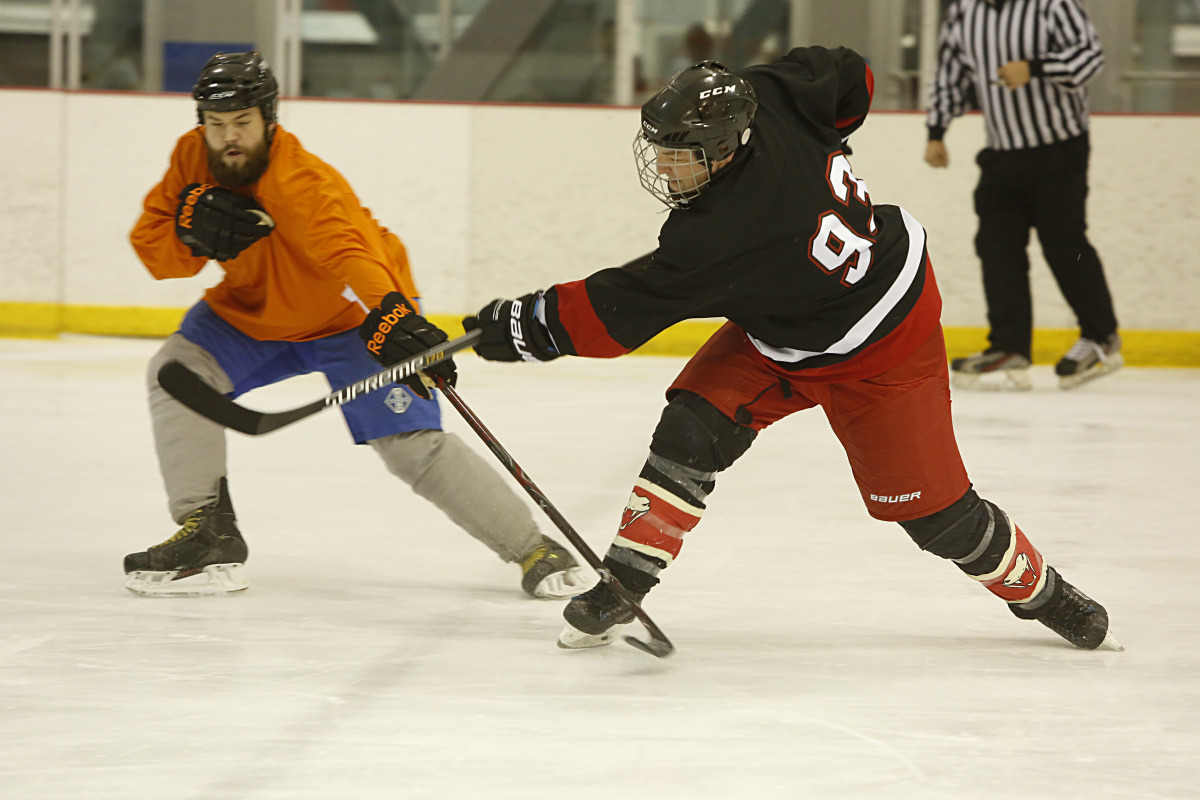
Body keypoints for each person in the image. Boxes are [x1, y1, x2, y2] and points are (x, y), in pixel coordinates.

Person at [364, 49, 1121, 653]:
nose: (664, 169)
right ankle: (623, 584)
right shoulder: (766, 93)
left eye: (681, 156)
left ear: (724, 148)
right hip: (784, 323)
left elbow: (613, 313)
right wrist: (837, 140)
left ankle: (1046, 595)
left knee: (935, 517)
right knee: (692, 425)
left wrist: (502, 328)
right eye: (659, 149)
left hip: (883, 345)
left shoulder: (728, 235)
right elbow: (849, 73)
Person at [125, 51, 587, 600]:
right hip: (251, 313)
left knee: (411, 444)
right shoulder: (190, 158)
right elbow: (152, 251)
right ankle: (208, 535)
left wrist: (394, 316)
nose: (228, 138)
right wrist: (185, 232)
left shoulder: (303, 182)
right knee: (176, 373)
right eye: (216, 124)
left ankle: (533, 547)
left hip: (349, 319)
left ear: (269, 120)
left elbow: (354, 254)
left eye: (242, 123)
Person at [925, 0, 1121, 391]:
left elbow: (1090, 59)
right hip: (1002, 152)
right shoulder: (964, 12)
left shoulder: (1052, 4)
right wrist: (937, 131)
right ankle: (1009, 346)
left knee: (1064, 243)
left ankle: (1101, 337)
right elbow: (950, 74)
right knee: (996, 247)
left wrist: (1035, 67)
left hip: (1060, 147)